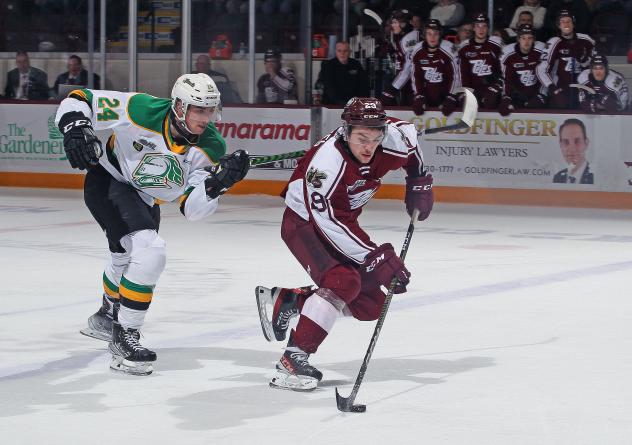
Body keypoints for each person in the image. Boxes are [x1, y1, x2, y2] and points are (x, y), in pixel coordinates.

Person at [55, 73, 250, 375]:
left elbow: (193, 209)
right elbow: (81, 98)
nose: (205, 118)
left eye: (209, 110)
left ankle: (107, 314)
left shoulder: (210, 146)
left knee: (126, 256)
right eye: (199, 109)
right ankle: (125, 335)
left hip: (146, 198)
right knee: (149, 251)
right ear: (180, 107)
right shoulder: (142, 109)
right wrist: (75, 127)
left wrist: (219, 184)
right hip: (110, 181)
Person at [255, 97, 433, 391]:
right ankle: (293, 359)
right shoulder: (325, 164)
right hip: (305, 223)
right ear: (345, 131)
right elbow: (327, 223)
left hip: (343, 219)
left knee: (371, 304)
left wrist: (419, 179)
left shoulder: (394, 138)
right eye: (361, 138)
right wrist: (376, 257)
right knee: (343, 281)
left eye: (375, 139)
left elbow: (412, 147)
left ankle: (292, 301)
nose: (368, 147)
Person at [536, 10, 595, 109]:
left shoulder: (587, 40)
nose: (566, 24)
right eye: (562, 21)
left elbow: (596, 66)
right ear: (559, 25)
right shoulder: (553, 43)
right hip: (561, 90)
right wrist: (553, 89)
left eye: (568, 21)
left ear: (573, 24)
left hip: (583, 90)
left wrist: (584, 60)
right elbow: (541, 69)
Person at [410, 19, 461, 116]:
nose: (432, 37)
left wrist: (451, 96)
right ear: (424, 35)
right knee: (417, 108)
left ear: (440, 34)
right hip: (427, 94)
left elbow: (456, 76)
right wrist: (418, 95)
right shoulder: (417, 50)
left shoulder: (449, 49)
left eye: (435, 33)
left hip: (445, 94)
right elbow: (416, 76)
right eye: (429, 33)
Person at [498, 24, 547, 116]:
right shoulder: (508, 53)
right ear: (518, 39)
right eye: (523, 38)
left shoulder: (542, 50)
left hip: (536, 91)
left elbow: (546, 75)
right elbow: (507, 78)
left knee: (534, 106)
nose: (526, 41)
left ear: (533, 40)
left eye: (530, 38)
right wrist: (506, 97)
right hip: (518, 93)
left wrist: (542, 94)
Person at [457, 13, 503, 109]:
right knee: (467, 104)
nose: (481, 30)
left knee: (490, 101)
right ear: (473, 28)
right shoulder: (464, 47)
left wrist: (497, 85)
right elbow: (463, 73)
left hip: (492, 87)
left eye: (484, 26)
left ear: (488, 28)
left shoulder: (496, 44)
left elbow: (503, 69)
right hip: (473, 89)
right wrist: (466, 91)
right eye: (478, 26)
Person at [381, 9, 421, 106]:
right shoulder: (403, 37)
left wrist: (392, 89)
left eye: (395, 22)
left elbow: (409, 68)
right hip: (407, 86)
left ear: (404, 24)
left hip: (414, 87)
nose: (392, 25)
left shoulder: (409, 39)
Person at [553, 118, 593, 184]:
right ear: (560, 145)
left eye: (577, 141)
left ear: (586, 143)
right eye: (566, 142)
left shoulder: (595, 176)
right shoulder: (557, 178)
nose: (572, 149)